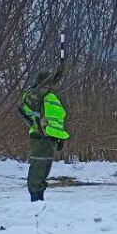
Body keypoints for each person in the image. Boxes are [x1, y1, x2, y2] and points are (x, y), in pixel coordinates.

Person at [19, 64, 69, 202]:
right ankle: (35, 200)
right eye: (47, 83)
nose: (50, 86)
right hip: (40, 136)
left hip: (50, 138)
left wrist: (59, 139)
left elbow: (57, 120)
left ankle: (40, 199)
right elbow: (40, 89)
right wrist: (53, 77)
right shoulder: (35, 94)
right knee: (38, 168)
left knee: (45, 169)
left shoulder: (50, 96)